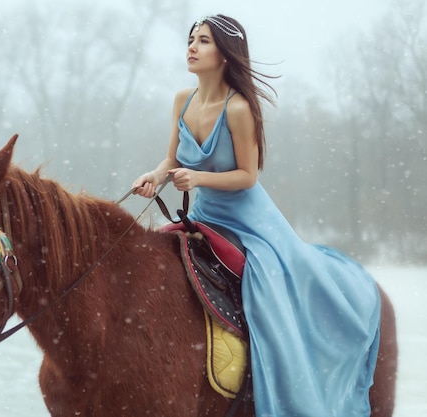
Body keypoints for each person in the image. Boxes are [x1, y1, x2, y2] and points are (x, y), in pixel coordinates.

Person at [132, 14, 381, 416]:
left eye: (204, 41)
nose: (192, 47)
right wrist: (156, 176)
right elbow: (172, 157)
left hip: (248, 220)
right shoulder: (183, 99)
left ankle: (286, 379)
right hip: (204, 214)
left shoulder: (239, 108)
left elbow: (247, 176)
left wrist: (197, 177)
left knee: (267, 293)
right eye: (191, 39)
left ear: (226, 55)